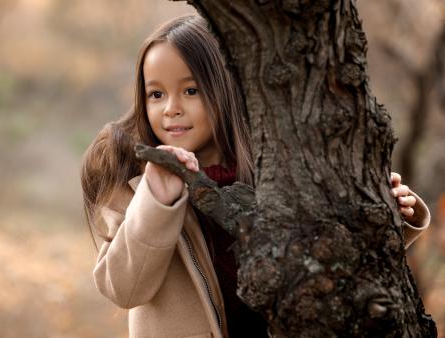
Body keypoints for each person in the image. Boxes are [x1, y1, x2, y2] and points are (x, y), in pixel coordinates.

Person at [81, 14, 431, 338]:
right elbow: (124, 289)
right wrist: (156, 200)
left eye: (191, 90)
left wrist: (386, 214)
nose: (170, 107)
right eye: (156, 94)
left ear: (226, 88)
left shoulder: (278, 171)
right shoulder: (133, 184)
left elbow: (333, 260)